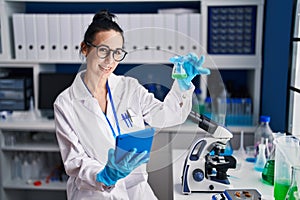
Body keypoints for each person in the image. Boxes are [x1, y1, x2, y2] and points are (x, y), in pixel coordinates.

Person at [54, 10, 210, 200]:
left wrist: (182, 84)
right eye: (103, 50)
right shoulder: (65, 103)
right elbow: (74, 161)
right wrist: (104, 175)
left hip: (136, 190)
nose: (110, 61)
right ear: (85, 48)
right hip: (94, 193)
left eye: (117, 53)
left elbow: (166, 116)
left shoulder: (129, 87)